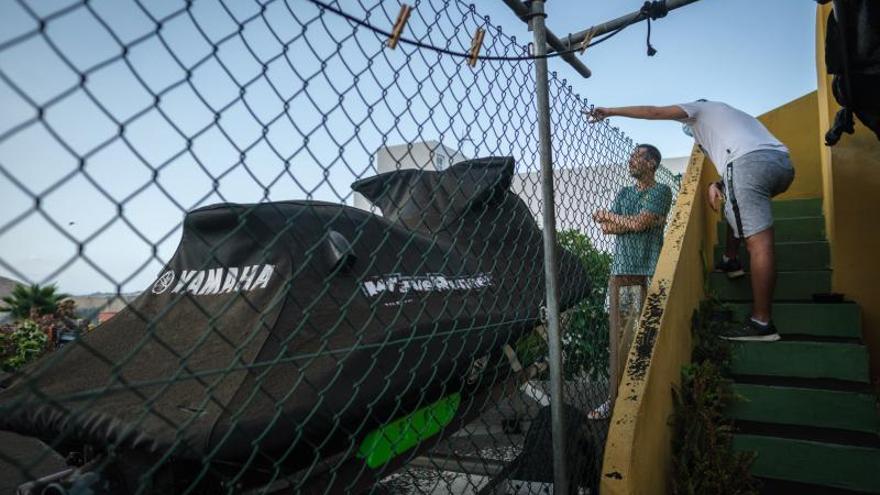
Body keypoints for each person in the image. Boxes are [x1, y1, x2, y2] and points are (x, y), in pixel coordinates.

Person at [589, 100, 795, 342]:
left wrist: (611, 111)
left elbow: (653, 111)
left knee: (759, 243)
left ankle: (762, 324)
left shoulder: (700, 109)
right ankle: (731, 259)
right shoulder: (734, 118)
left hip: (748, 164)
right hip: (781, 163)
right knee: (733, 203)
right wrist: (717, 184)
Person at [589, 144, 672, 420]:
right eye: (631, 156)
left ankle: (647, 398)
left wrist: (611, 215)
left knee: (648, 337)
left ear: (651, 163)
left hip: (648, 270)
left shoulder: (661, 191)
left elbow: (632, 224)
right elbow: (608, 228)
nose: (631, 161)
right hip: (622, 272)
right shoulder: (624, 193)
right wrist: (640, 221)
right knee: (622, 339)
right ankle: (616, 400)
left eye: (637, 157)